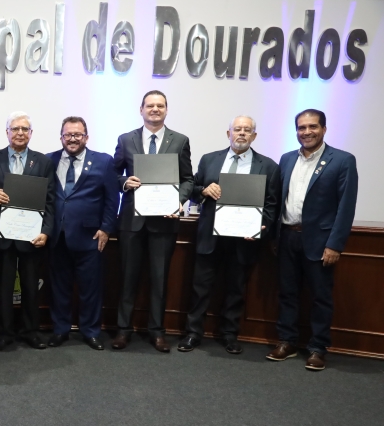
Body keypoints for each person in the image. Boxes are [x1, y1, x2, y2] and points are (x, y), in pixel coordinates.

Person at [177, 116, 280, 355]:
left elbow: (272, 205)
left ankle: (229, 335)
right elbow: (192, 189)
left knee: (235, 289)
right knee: (200, 288)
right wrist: (204, 190)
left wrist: (261, 226)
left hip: (244, 239)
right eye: (237, 129)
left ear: (254, 136)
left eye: (247, 130)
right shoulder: (209, 159)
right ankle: (193, 333)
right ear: (228, 133)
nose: (241, 133)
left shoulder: (268, 166)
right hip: (210, 237)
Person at [266, 109, 358, 371]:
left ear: (324, 129)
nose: (306, 132)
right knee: (287, 293)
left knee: (320, 297)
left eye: (312, 127)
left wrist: (335, 244)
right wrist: (273, 235)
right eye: (301, 127)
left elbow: (346, 206)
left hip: (320, 241)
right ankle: (287, 341)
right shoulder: (286, 159)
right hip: (287, 237)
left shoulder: (342, 160)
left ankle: (318, 347)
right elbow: (278, 199)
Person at [113, 90, 194, 353]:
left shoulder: (180, 141)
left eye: (160, 106)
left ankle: (157, 332)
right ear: (141, 109)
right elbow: (112, 174)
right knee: (128, 278)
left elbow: (188, 179)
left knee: (159, 279)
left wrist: (179, 200)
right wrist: (124, 182)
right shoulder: (125, 139)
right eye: (150, 106)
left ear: (166, 110)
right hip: (131, 221)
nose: (155, 109)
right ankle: (123, 330)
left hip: (164, 222)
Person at [0, 111, 55, 351]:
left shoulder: (43, 162)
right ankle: (4, 332)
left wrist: (46, 231)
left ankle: (31, 331)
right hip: (1, 234)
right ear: (7, 132)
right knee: (2, 286)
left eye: (25, 129)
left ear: (31, 133)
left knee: (31, 286)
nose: (20, 133)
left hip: (31, 235)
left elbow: (51, 201)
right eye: (15, 129)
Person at [46, 117, 119, 350]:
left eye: (78, 134)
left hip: (90, 237)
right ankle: (60, 330)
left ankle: (91, 332)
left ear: (86, 137)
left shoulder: (103, 161)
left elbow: (112, 198)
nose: (73, 139)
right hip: (57, 236)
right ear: (61, 137)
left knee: (91, 289)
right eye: (68, 134)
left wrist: (106, 228)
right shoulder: (49, 161)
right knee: (59, 288)